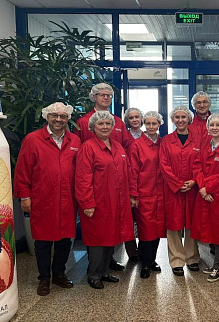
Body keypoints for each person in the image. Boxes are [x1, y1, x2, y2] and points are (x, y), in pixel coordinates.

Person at [14, 102, 80, 296]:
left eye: (63, 116)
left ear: (68, 119)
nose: (59, 119)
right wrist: (24, 197)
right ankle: (44, 278)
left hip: (68, 199)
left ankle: (59, 273)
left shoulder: (75, 141)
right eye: (54, 116)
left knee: (65, 238)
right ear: (47, 117)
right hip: (42, 198)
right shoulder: (33, 139)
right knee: (43, 240)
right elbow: (23, 170)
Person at [74, 83, 132, 271]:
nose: (106, 97)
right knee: (97, 233)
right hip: (97, 190)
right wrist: (87, 201)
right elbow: (83, 171)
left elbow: (126, 151)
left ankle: (106, 266)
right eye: (102, 94)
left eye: (109, 95)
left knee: (112, 230)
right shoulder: (83, 125)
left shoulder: (119, 125)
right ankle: (95, 270)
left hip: (115, 193)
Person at [191, 114, 219, 282]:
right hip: (205, 195)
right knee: (210, 229)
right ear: (208, 128)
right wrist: (203, 189)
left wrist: (207, 187)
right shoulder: (204, 147)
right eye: (212, 125)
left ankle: (218, 266)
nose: (214, 128)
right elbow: (197, 168)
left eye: (218, 125)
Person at [160, 105, 200, 276]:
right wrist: (177, 183)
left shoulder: (198, 140)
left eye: (183, 117)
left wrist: (194, 181)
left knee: (192, 223)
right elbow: (163, 165)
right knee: (174, 224)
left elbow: (202, 162)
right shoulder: (166, 140)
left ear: (189, 119)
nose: (180, 120)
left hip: (193, 188)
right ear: (172, 120)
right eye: (177, 117)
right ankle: (176, 260)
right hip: (172, 190)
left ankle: (192, 258)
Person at [129, 111, 165, 279]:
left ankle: (152, 260)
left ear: (159, 125)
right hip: (144, 193)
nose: (151, 126)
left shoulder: (163, 143)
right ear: (144, 124)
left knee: (157, 229)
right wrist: (133, 194)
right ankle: (144, 262)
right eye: (148, 123)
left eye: (154, 123)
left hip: (161, 193)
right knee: (145, 230)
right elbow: (133, 171)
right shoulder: (137, 145)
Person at [123, 107, 144, 262]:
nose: (135, 120)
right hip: (126, 180)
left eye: (137, 117)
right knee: (128, 219)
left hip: (145, 183)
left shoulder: (148, 135)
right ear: (127, 121)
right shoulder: (123, 137)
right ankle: (132, 252)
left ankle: (144, 250)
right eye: (131, 118)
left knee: (144, 220)